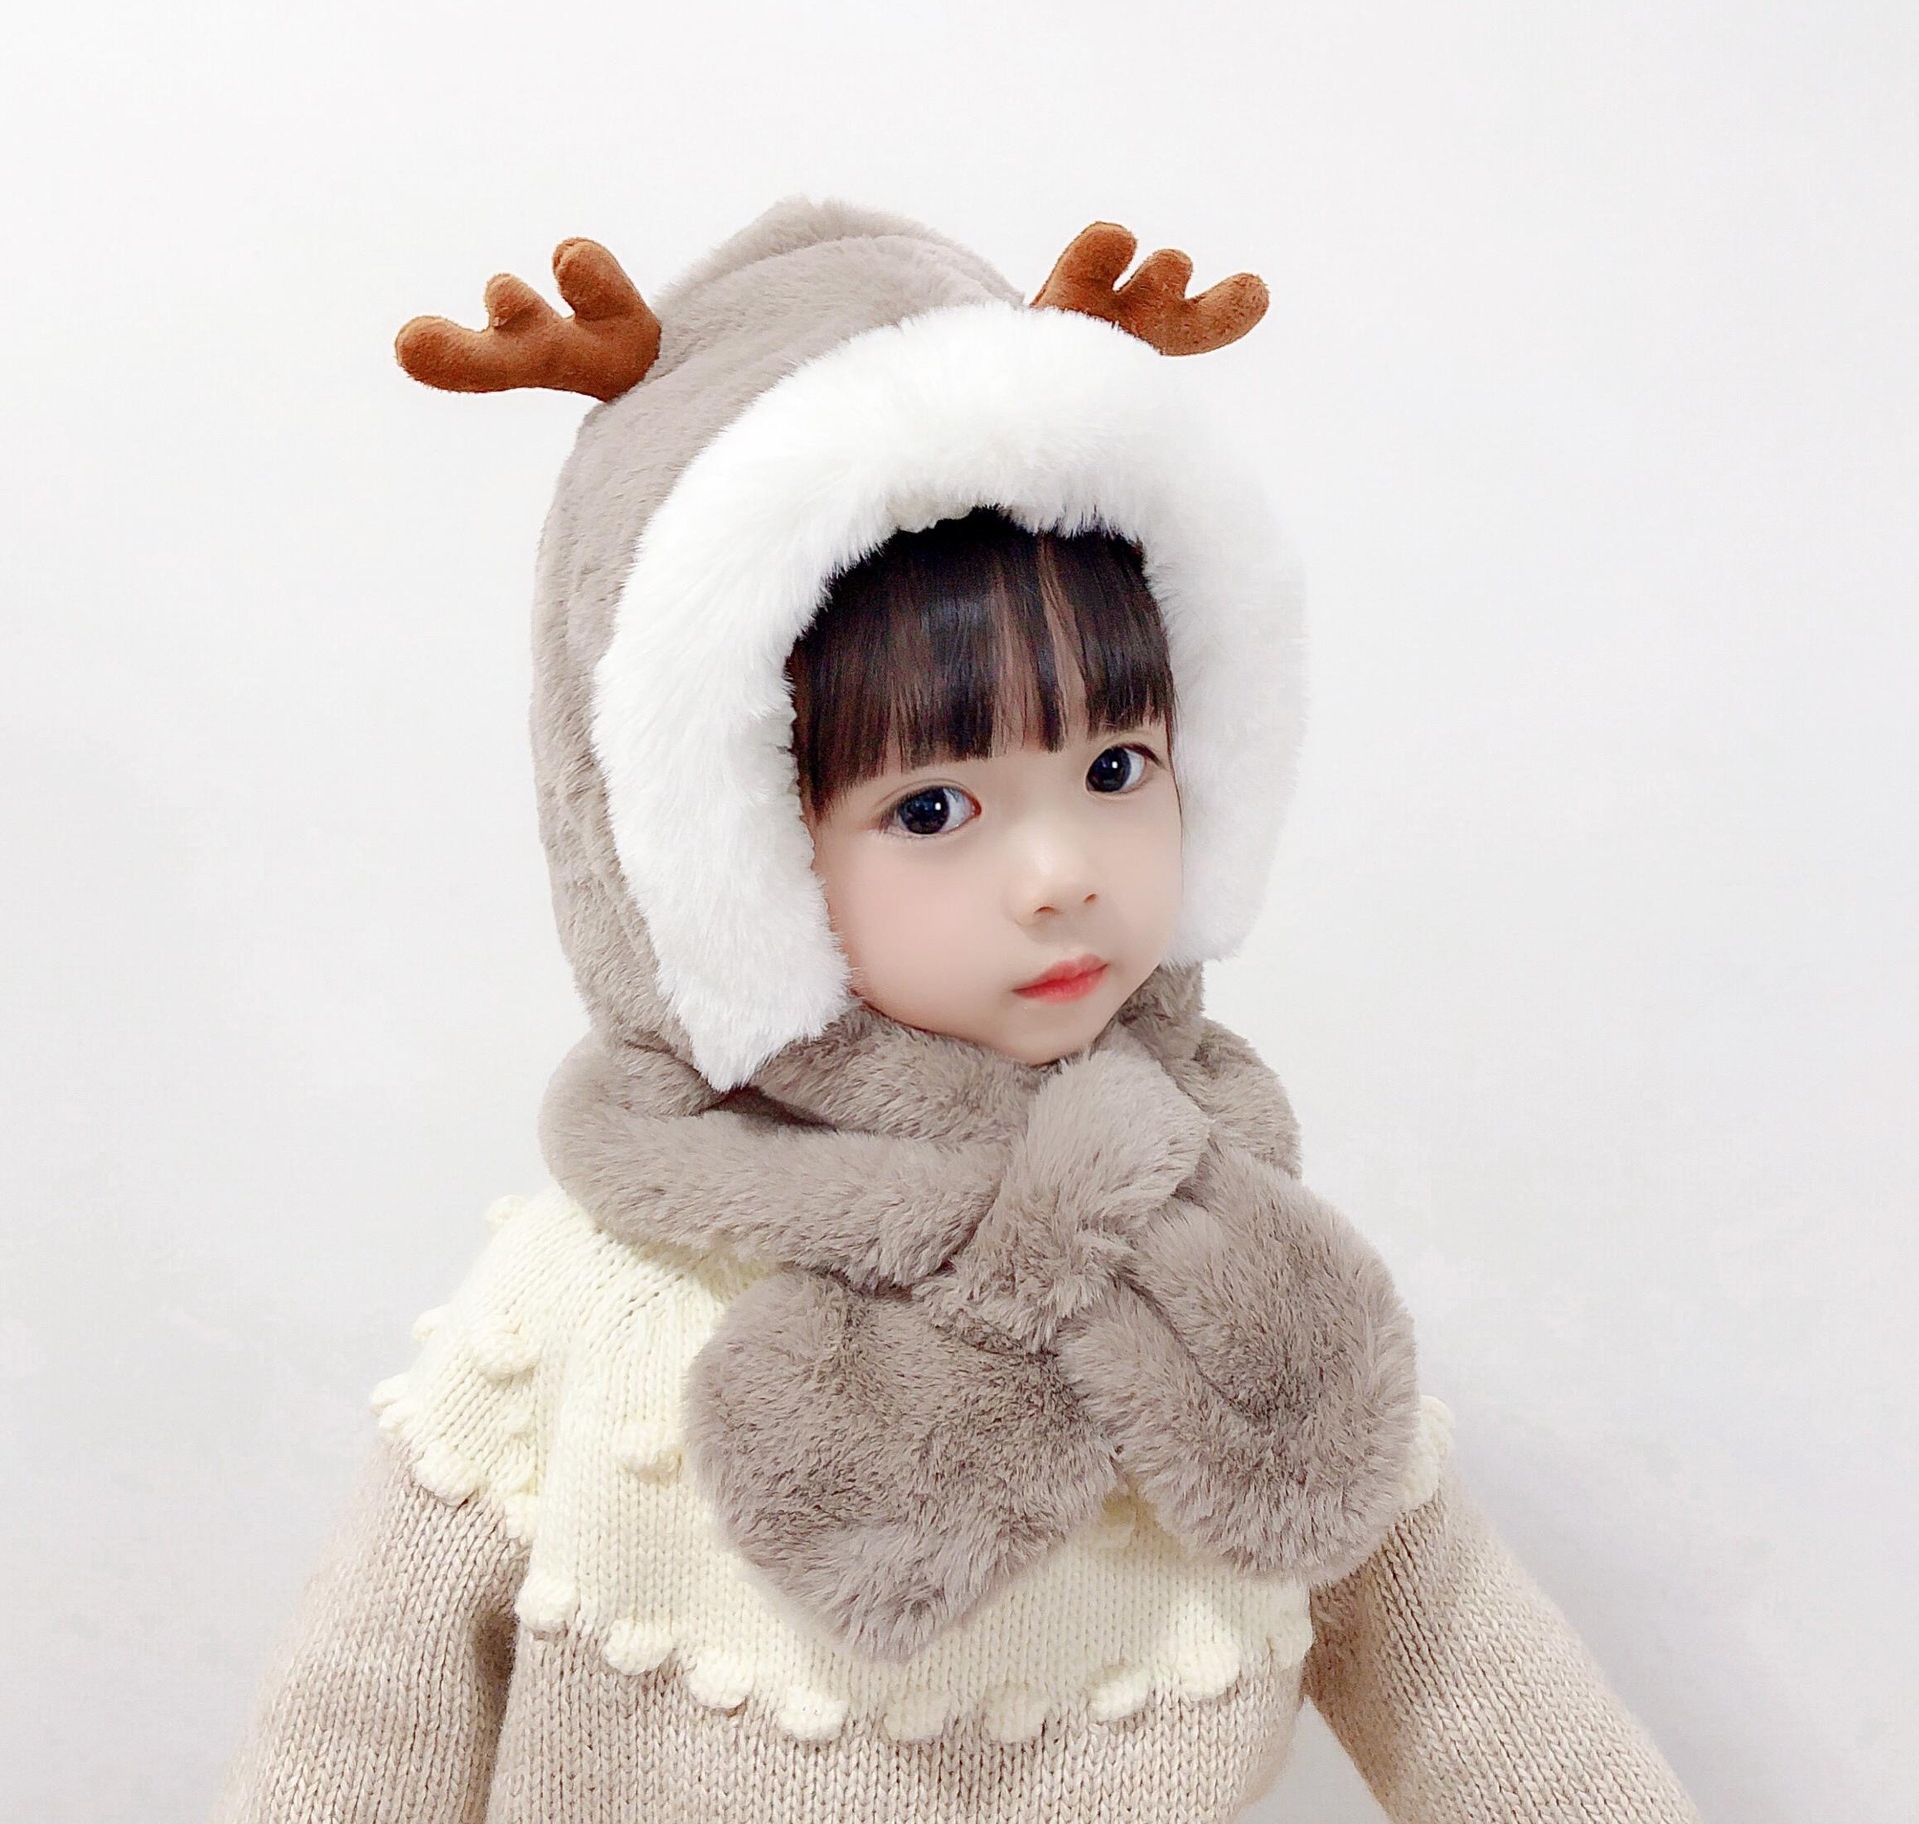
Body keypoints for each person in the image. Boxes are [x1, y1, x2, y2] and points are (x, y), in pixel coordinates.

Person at [211, 200, 1701, 1822]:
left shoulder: (1247, 1285)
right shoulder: (598, 1299)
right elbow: (358, 1732)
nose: (1061, 874)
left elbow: (1491, 1705)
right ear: (728, 859)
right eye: (932, 808)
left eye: (1117, 768)